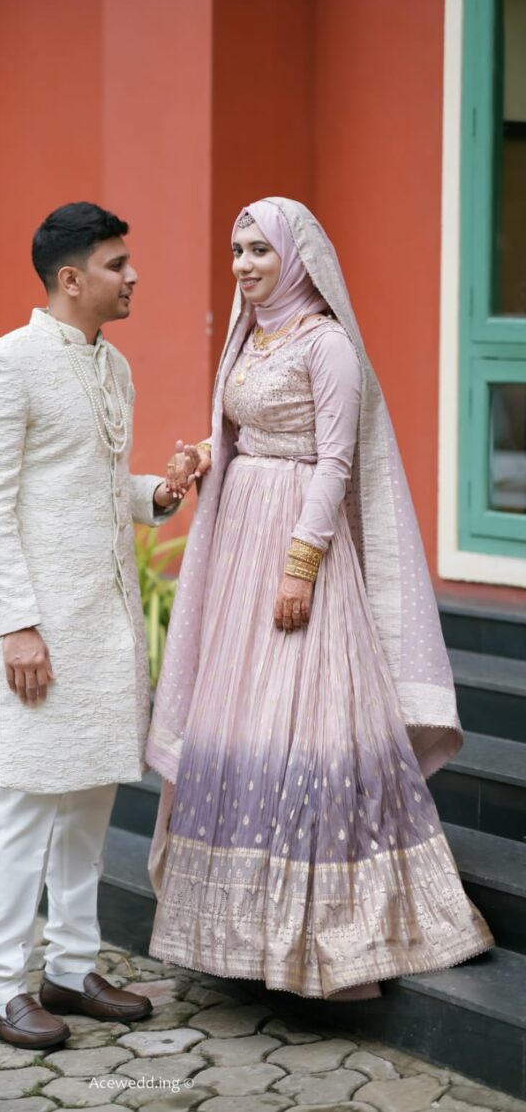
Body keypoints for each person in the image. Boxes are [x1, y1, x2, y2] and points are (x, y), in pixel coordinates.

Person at [145, 197, 494, 1000]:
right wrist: (203, 455)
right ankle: (242, 929)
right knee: (243, 715)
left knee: (307, 713)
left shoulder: (327, 342)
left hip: (300, 542)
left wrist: (301, 565)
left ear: (297, 257)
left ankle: (323, 931)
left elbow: (336, 460)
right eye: (237, 250)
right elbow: (245, 429)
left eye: (260, 250)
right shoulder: (251, 335)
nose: (244, 265)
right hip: (240, 546)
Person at [0, 202, 184, 1047]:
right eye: (117, 264)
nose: (132, 277)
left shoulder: (112, 365)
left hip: (107, 622)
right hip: (43, 629)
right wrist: (17, 624)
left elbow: (90, 480)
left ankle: (70, 966)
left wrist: (152, 494)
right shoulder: (6, 364)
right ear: (70, 277)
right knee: (28, 802)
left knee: (91, 794)